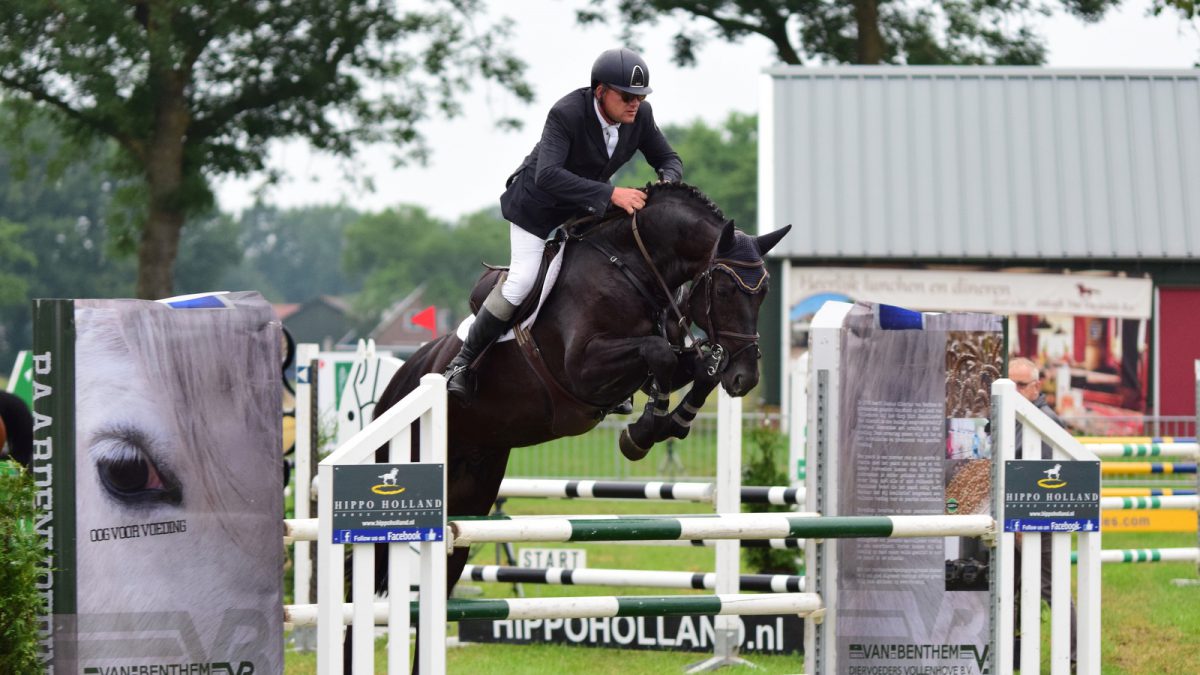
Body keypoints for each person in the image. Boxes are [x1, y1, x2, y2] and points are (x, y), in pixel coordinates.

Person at [443, 47, 683, 403]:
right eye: (627, 96)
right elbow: (549, 174)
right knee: (523, 279)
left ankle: (621, 370)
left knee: (614, 274)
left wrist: (666, 180)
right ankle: (462, 363)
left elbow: (668, 158)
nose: (635, 103)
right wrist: (612, 194)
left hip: (584, 208)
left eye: (640, 96)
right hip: (537, 207)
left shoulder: (641, 117)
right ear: (600, 91)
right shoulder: (566, 113)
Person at [1009, 356, 1077, 666]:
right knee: (1007, 591)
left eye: (1020, 385)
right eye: (1009, 384)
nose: (1014, 390)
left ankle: (1075, 657)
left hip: (1039, 523)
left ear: (1037, 387)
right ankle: (1011, 655)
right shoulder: (1009, 415)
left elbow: (1050, 481)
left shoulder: (1048, 421)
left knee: (1053, 590)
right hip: (1011, 521)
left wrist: (1024, 523)